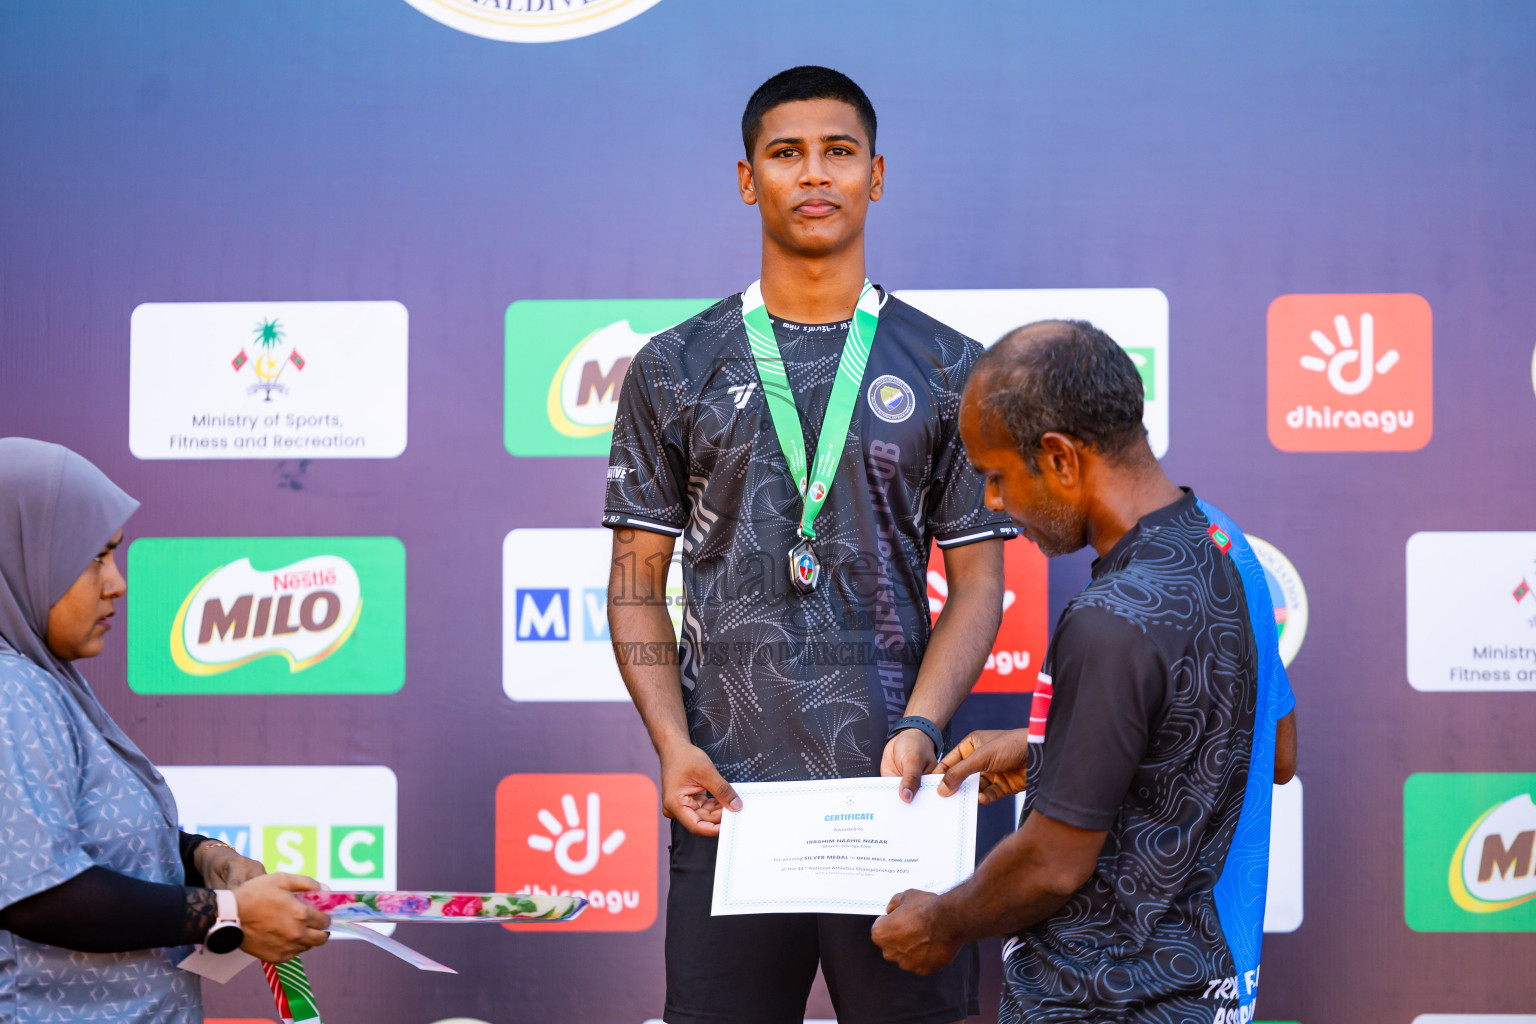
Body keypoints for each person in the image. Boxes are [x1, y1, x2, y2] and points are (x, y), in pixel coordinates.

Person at [602, 66, 1019, 1024]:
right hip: (727, 804)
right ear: (749, 180)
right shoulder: (674, 365)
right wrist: (672, 746)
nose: (814, 174)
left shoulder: (952, 365)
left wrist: (919, 727)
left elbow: (980, 586)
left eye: (839, 151)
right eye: (786, 154)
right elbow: (634, 586)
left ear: (878, 174)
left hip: (898, 803)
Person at [870, 321, 1299, 1023]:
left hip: (1104, 1004)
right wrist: (1054, 751)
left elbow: (1051, 864)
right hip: (1210, 996)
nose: (994, 505)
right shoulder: (1227, 543)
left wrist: (941, 922)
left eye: (999, 477)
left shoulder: (1109, 619)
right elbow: (1270, 751)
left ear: (1062, 459)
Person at [0, 438, 333, 1023]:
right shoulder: (10, 690)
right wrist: (225, 913)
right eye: (95, 557)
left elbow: (84, 840)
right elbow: (36, 894)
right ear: (24, 554)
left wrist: (200, 857)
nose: (117, 583)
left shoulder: (42, 681)